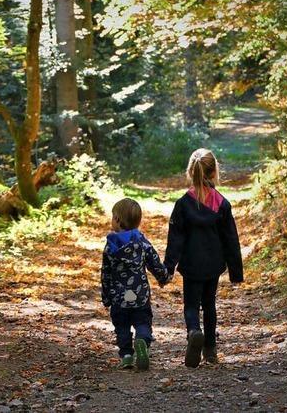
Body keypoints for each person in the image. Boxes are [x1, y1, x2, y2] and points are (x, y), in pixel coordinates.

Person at [164, 148, 243, 368]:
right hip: (213, 264)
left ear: (190, 171)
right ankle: (210, 349)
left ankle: (193, 332)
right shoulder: (222, 204)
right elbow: (230, 239)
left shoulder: (183, 204)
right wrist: (236, 272)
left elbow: (175, 239)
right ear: (214, 171)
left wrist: (167, 268)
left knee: (191, 305)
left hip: (191, 264)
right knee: (209, 304)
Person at [101, 198, 172, 370]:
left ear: (117, 220)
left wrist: (106, 297)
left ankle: (126, 355)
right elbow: (154, 261)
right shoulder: (141, 242)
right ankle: (142, 341)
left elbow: (106, 273)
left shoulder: (111, 246)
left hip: (119, 298)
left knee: (122, 326)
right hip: (139, 294)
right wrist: (163, 277)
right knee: (142, 322)